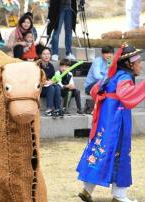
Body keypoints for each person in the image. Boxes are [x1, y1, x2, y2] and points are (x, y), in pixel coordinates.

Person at [77, 44, 145, 202]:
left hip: (105, 120)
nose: (140, 65)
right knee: (119, 152)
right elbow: (126, 96)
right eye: (138, 62)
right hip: (116, 120)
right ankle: (119, 195)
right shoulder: (124, 77)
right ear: (129, 64)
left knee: (100, 150)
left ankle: (87, 190)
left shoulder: (112, 75)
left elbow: (95, 90)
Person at [39, 47, 63, 118]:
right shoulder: (37, 65)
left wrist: (52, 81)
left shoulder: (51, 66)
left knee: (57, 87)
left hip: (48, 87)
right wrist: (44, 82)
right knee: (51, 88)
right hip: (40, 88)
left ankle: (57, 109)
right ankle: (49, 109)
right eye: (44, 54)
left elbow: (53, 79)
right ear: (40, 55)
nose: (46, 56)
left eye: (48, 54)